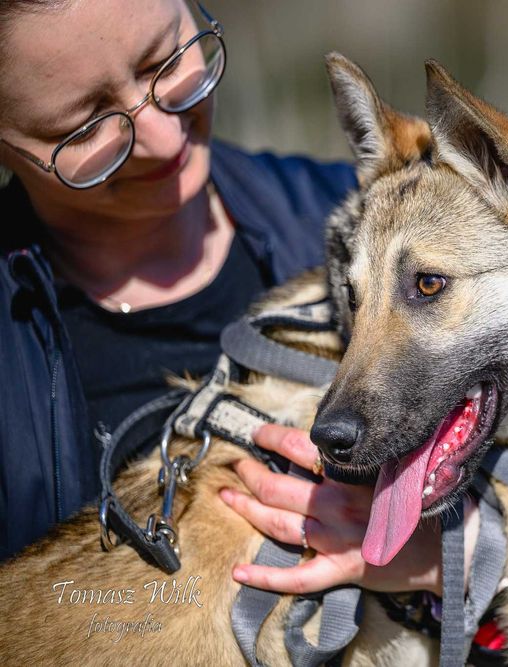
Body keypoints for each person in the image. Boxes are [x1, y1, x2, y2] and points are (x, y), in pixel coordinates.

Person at [0, 0, 475, 596]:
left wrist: (456, 564)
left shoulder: (364, 223)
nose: (161, 134)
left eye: (163, 60)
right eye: (86, 124)